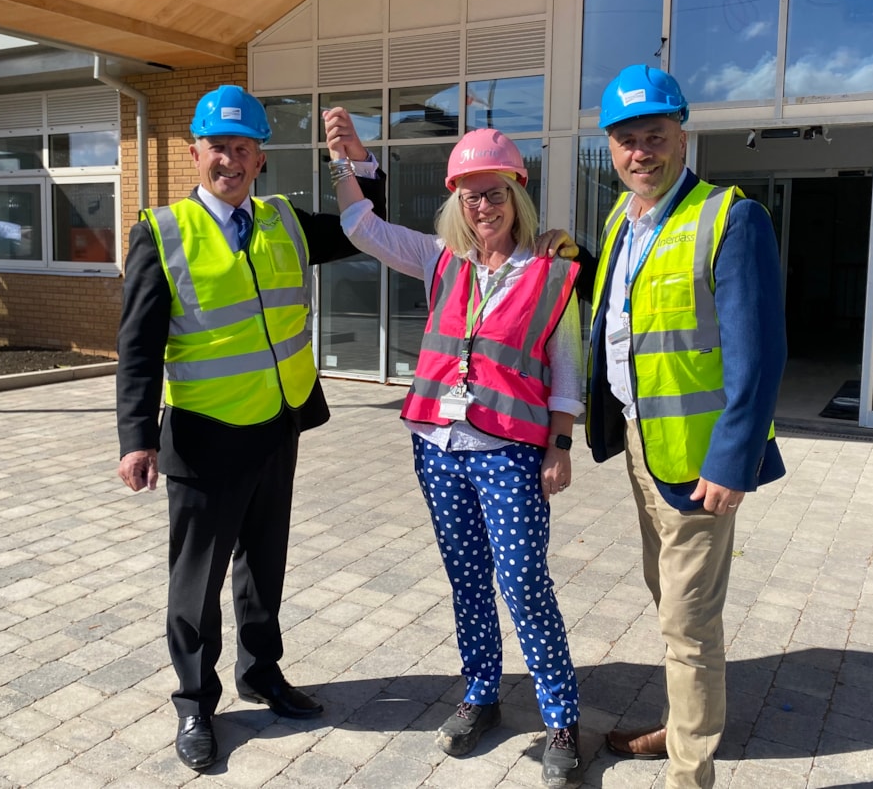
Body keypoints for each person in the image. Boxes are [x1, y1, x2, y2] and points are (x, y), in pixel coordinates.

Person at [115, 86, 386, 772]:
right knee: (196, 580)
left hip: (277, 422)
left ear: (260, 157)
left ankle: (262, 672)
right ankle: (194, 700)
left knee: (264, 562)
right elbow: (139, 346)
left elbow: (366, 225)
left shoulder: (284, 222)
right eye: (217, 148)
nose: (229, 161)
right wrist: (136, 438)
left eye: (242, 148)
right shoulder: (163, 232)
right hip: (205, 435)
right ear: (194, 153)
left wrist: (359, 163)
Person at [325, 117, 586, 789]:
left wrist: (559, 445)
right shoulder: (441, 258)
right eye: (469, 195)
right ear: (456, 205)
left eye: (494, 192)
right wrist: (348, 162)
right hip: (438, 449)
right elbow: (361, 227)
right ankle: (481, 695)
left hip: (509, 454)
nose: (482, 206)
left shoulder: (551, 271)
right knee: (467, 582)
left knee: (525, 585)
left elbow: (566, 369)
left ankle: (561, 717)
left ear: (516, 196)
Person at [550, 65, 786, 788]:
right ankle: (683, 727)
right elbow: (628, 306)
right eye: (624, 140)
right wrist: (580, 262)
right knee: (670, 603)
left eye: (653, 135)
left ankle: (691, 771)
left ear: (683, 133)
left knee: (687, 624)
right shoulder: (625, 217)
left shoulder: (728, 217)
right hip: (638, 446)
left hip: (696, 462)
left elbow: (761, 350)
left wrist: (733, 461)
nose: (638, 152)